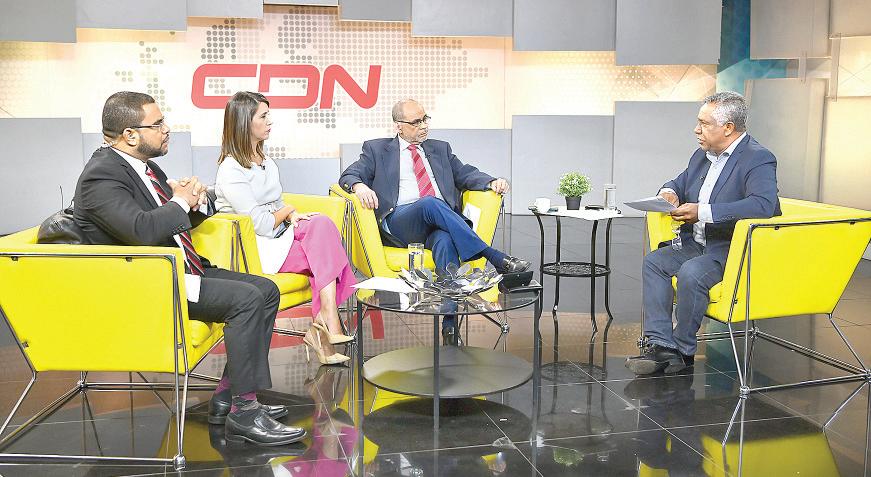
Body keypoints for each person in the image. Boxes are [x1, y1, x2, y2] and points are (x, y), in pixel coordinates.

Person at [74, 91, 305, 446]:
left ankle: (227, 397)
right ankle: (245, 413)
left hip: (182, 270)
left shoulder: (145, 167)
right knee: (246, 300)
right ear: (130, 135)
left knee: (266, 290)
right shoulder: (100, 176)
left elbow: (168, 222)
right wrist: (180, 201)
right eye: (158, 124)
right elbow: (141, 231)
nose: (167, 129)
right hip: (153, 283)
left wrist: (196, 204)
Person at [338, 99, 530, 346]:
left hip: (437, 222)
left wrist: (491, 181)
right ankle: (494, 256)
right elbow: (349, 174)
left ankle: (449, 325)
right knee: (429, 203)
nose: (423, 126)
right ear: (398, 126)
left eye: (425, 119)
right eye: (416, 122)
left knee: (445, 241)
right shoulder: (377, 149)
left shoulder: (440, 148)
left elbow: (465, 173)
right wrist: (359, 186)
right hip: (401, 222)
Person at [625, 91, 780, 376]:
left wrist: (703, 211)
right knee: (655, 262)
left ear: (728, 128)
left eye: (704, 123)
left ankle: (683, 350)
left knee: (692, 272)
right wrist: (669, 192)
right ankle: (661, 345)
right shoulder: (702, 156)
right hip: (696, 243)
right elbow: (678, 182)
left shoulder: (758, 158)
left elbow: (763, 205)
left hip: (729, 250)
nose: (696, 129)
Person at [214, 91, 356, 365]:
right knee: (327, 255)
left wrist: (292, 215)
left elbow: (275, 205)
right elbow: (261, 224)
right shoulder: (231, 170)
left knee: (321, 225)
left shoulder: (267, 162)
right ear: (244, 122)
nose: (270, 121)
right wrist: (288, 211)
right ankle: (326, 323)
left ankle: (325, 321)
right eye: (263, 116)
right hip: (254, 248)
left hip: (278, 237)